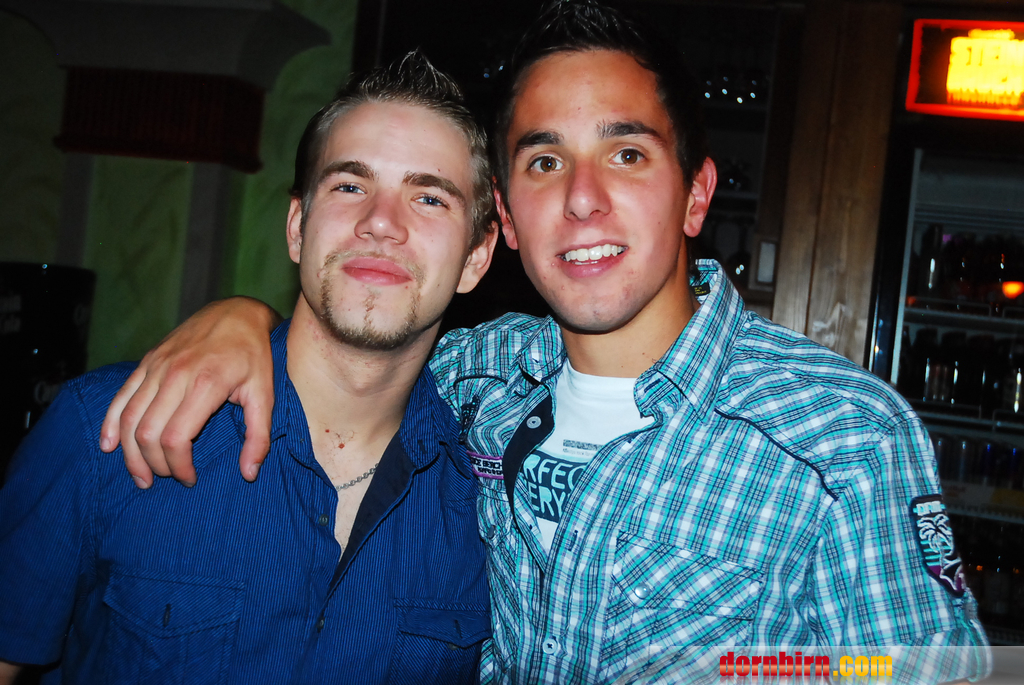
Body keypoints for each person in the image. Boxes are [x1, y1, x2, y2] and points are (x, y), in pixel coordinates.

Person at [96, 1, 991, 683]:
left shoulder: (844, 437)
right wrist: (241, 319)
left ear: (696, 194)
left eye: (627, 154)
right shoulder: (475, 376)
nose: (583, 198)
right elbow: (350, 345)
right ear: (508, 223)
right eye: (545, 160)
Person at [0, 52, 497, 684]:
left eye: (428, 197)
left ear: (476, 257)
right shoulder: (105, 427)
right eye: (350, 186)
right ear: (297, 226)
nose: (380, 222)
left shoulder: (494, 507)